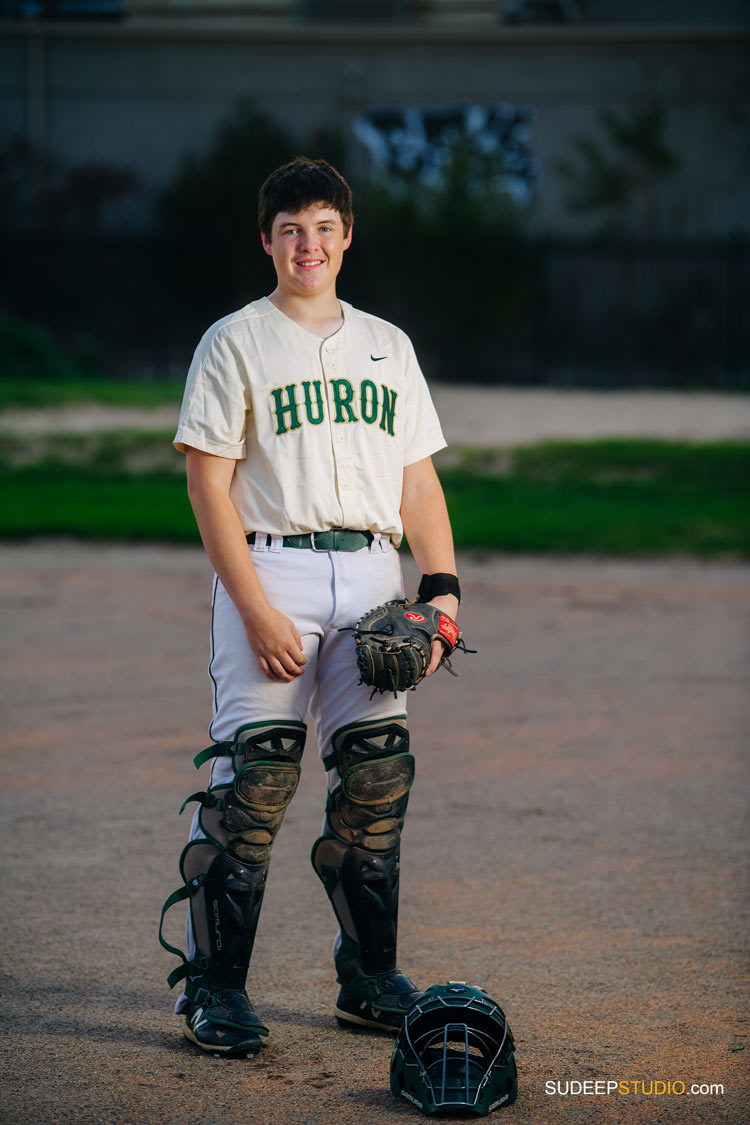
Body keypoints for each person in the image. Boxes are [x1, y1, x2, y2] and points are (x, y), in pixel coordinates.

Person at [160, 156, 461, 1057]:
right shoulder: (235, 340)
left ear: (347, 237)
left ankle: (368, 980)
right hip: (272, 570)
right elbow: (207, 485)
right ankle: (213, 991)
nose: (309, 243)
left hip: (370, 574)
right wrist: (251, 608)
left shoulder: (388, 345)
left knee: (375, 774)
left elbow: (418, 482)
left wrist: (440, 591)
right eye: (291, 228)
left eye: (325, 226)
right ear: (267, 240)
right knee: (254, 781)